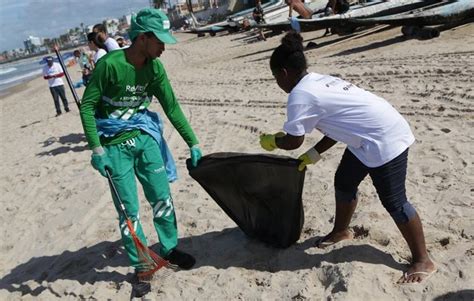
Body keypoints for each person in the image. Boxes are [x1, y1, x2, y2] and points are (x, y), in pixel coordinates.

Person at [259, 32, 436, 284]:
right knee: (344, 181)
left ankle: (423, 260)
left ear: (284, 73)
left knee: (395, 202)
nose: (277, 82)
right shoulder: (317, 80)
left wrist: (272, 142)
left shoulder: (300, 95)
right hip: (368, 135)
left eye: (275, 77)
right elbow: (337, 125)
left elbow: (293, 140)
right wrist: (315, 152)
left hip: (384, 138)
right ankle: (341, 230)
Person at [79, 8, 203, 295]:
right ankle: (142, 264)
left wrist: (193, 142)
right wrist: (97, 150)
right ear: (143, 38)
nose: (163, 47)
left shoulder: (156, 68)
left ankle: (170, 248)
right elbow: (87, 108)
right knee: (129, 211)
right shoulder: (109, 65)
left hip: (145, 138)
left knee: (162, 197)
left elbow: (171, 107)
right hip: (113, 145)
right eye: (159, 40)